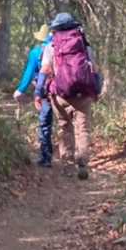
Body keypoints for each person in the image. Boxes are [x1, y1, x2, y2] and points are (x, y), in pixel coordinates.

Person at [41, 11, 100, 181]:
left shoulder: (51, 46)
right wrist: (95, 89)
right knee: (83, 128)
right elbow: (94, 69)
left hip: (60, 95)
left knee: (64, 126)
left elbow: (45, 69)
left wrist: (41, 90)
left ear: (56, 29)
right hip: (83, 94)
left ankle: (67, 165)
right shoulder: (84, 45)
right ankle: (82, 162)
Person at [13, 25, 54, 168]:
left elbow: (29, 72)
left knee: (45, 122)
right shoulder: (61, 49)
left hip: (46, 92)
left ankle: (46, 157)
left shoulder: (36, 52)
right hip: (66, 91)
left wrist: (20, 90)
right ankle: (73, 158)